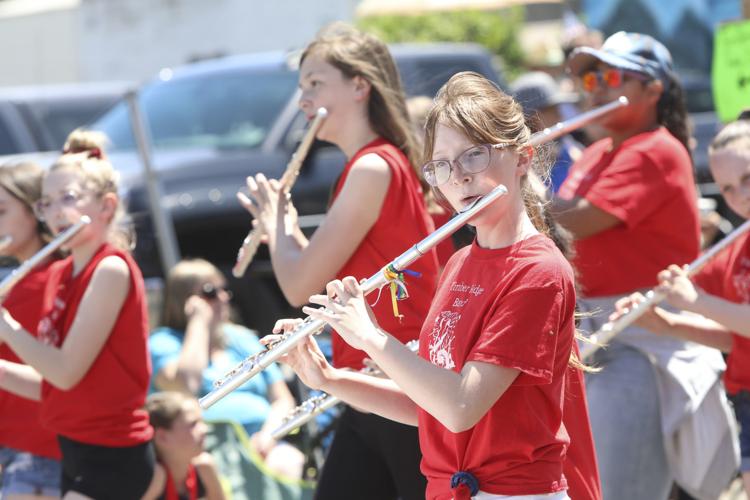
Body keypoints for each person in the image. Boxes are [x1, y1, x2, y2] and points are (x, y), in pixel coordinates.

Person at [270, 71, 596, 500]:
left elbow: (461, 407)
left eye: (474, 156)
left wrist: (371, 337)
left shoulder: (538, 271)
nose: (457, 177)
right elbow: (430, 406)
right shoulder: (460, 263)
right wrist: (329, 378)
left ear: (521, 158)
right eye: (442, 164)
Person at [238, 23, 438, 500]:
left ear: (359, 85)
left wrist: (278, 223)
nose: (303, 100)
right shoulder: (371, 164)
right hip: (367, 382)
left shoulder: (373, 166)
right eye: (301, 86)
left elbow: (299, 286)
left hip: (395, 379)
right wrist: (282, 227)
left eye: (314, 83)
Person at [550, 31, 734, 499]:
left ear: (654, 90)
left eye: (612, 76)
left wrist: (507, 190)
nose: (595, 87)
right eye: (590, 76)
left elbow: (579, 222)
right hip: (595, 336)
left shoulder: (655, 147)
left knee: (622, 490)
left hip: (637, 342)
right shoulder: (597, 151)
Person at [0, 150, 155, 499]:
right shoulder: (59, 273)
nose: (57, 212)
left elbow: (66, 371)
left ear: (106, 206)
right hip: (74, 449)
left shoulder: (110, 269)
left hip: (112, 454)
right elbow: (55, 386)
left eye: (68, 198)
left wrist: (6, 326)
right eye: (47, 203)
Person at [613, 118, 750, 495]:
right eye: (727, 188)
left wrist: (698, 301)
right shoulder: (735, 249)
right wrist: (668, 324)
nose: (740, 196)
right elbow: (734, 337)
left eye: (747, 178)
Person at [149, 258, 305, 479]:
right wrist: (198, 323)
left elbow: (282, 399)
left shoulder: (240, 338)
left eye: (225, 290)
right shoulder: (164, 342)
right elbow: (186, 383)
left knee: (288, 463)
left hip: (263, 444)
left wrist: (268, 436)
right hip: (205, 450)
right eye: (211, 292)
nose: (223, 298)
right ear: (185, 300)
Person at [0, 162, 62, 499]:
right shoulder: (20, 282)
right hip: (23, 450)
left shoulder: (43, 283)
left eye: (1, 210)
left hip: (37, 453)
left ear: (35, 211)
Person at [142, 391, 225, 500]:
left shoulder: (204, 468)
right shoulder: (154, 477)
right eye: (193, 424)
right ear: (162, 437)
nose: (205, 429)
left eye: (202, 421)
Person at [511, 71, 582, 192]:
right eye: (552, 110)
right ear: (533, 117)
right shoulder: (518, 165)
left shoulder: (569, 149)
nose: (560, 116)